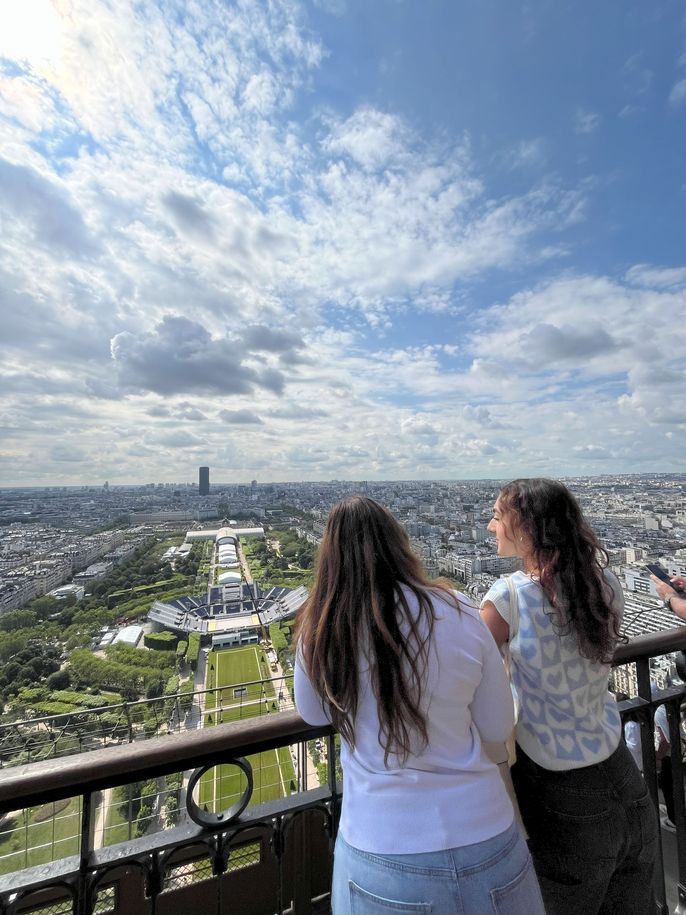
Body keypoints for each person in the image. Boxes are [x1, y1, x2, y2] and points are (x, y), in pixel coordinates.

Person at [295, 496, 545, 915]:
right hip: (487, 833)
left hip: (382, 843)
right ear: (399, 544)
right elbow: (497, 723)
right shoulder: (460, 609)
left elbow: (313, 713)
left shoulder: (323, 628)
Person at [480, 478, 658, 915]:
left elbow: (468, 674)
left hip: (561, 792)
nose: (490, 527)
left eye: (499, 516)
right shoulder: (605, 584)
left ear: (527, 527)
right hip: (623, 775)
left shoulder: (509, 598)